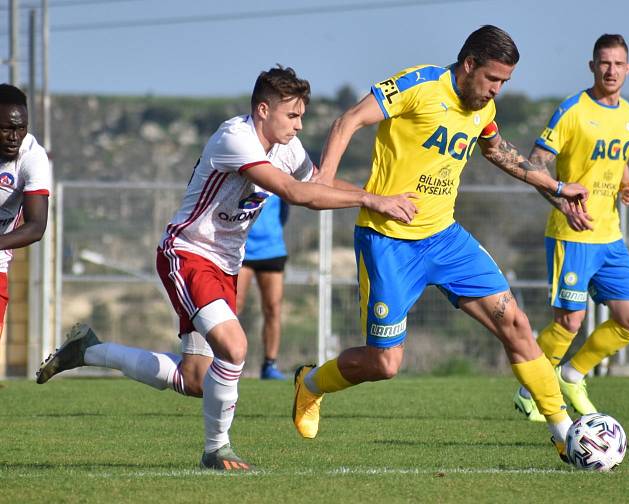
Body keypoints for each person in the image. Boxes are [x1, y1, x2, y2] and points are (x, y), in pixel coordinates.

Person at [36, 66, 418, 471]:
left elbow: (319, 182)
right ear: (263, 110)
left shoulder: (287, 148)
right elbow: (295, 192)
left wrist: (379, 195)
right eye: (293, 116)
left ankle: (90, 351)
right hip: (188, 254)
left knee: (196, 379)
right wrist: (372, 202)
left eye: (302, 116)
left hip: (226, 265)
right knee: (235, 348)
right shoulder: (235, 139)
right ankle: (216, 450)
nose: (300, 125)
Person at [291, 25, 589, 462]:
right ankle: (311, 383)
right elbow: (349, 119)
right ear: (468, 65)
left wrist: (557, 190)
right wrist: (325, 177)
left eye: (504, 82)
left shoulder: (480, 106)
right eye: (492, 79)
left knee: (518, 325)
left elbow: (499, 151)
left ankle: (564, 434)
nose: (496, 90)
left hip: (446, 240)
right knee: (384, 365)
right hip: (388, 242)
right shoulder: (420, 85)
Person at [513, 34, 629, 423]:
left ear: (628, 68)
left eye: (618, 63)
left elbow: (619, 157)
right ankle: (529, 391)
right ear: (592, 66)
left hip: (610, 236)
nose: (611, 70)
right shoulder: (572, 110)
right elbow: (535, 164)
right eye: (604, 63)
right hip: (571, 235)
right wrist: (562, 204)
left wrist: (628, 183)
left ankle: (571, 376)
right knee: (568, 323)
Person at [0, 84, 50, 340]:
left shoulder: (33, 157)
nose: (14, 137)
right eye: (7, 128)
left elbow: (37, 225)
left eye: (21, 128)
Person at [236, 195, 290, 380]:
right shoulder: (246, 172)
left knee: (273, 308)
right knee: (233, 306)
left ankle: (270, 364)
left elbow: (284, 212)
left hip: (272, 250)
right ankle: (225, 361)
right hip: (242, 249)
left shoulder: (280, 174)